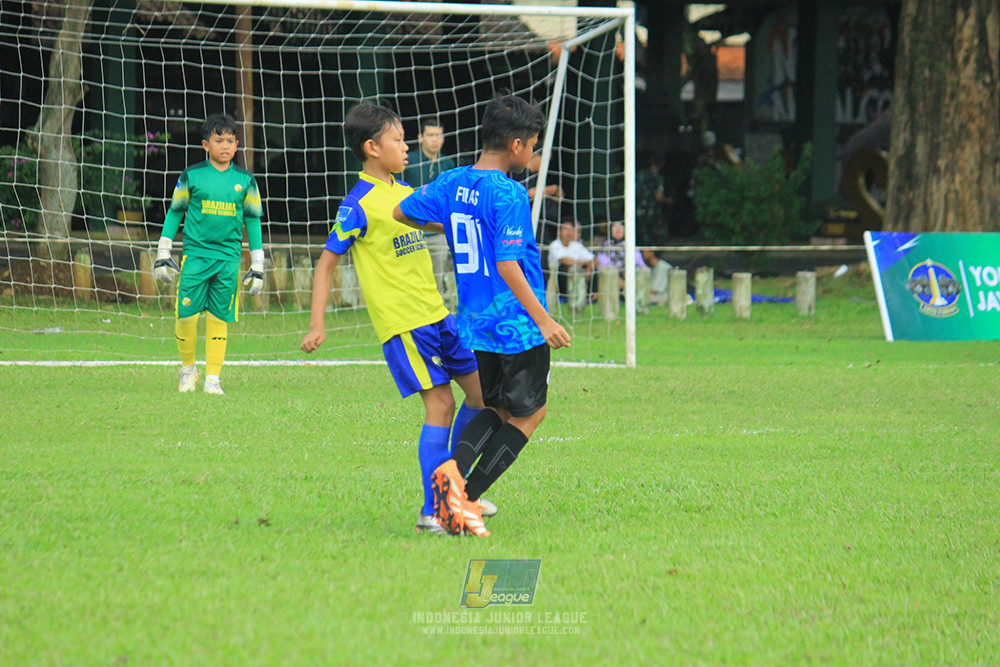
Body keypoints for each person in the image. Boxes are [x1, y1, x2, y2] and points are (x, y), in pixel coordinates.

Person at [299, 103, 489, 535]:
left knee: (482, 397)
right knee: (440, 404)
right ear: (372, 147)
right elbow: (325, 264)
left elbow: (446, 224)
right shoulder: (357, 205)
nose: (407, 147)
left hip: (440, 316)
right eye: (399, 140)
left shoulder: (407, 194)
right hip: (405, 325)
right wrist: (317, 324)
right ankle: (433, 510)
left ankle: (455, 488)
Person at [394, 94, 572, 538]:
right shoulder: (508, 192)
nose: (532, 153)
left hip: (474, 324)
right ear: (515, 145)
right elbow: (510, 264)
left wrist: (455, 225)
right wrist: (544, 321)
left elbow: (401, 211)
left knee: (492, 406)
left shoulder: (451, 181)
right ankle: (464, 499)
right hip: (516, 325)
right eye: (532, 144)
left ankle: (446, 491)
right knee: (531, 415)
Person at [152, 112, 264, 395]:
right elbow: (176, 211)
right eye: (219, 140)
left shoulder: (246, 180)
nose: (225, 146)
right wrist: (163, 250)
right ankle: (188, 370)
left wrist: (258, 263)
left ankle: (213, 378)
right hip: (196, 256)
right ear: (206, 145)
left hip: (228, 260)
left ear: (237, 144)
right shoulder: (192, 175)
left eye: (230, 141)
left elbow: (252, 220)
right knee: (186, 316)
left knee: (219, 317)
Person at [404, 117, 457, 305]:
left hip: (437, 229)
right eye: (430, 135)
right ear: (420, 137)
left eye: (438, 135)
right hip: (410, 227)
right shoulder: (408, 160)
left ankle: (439, 307)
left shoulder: (448, 164)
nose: (434, 139)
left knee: (438, 270)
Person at [635, 153, 672, 303]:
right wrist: (668, 201)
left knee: (641, 239)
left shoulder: (640, 175)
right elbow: (659, 196)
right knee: (654, 238)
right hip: (651, 216)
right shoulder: (657, 178)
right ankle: (652, 260)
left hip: (637, 215)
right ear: (661, 165)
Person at [547, 221, 596, 303]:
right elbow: (565, 261)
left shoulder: (576, 245)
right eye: (565, 229)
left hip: (578, 276)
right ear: (559, 231)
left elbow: (593, 259)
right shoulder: (555, 244)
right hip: (559, 278)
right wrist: (585, 262)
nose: (568, 232)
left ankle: (584, 300)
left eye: (571, 229)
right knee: (570, 269)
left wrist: (589, 268)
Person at [597, 219, 648, 292]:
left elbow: (639, 262)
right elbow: (603, 262)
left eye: (620, 228)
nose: (618, 231)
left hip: (630, 274)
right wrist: (617, 275)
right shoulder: (604, 245)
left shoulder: (631, 244)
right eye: (615, 228)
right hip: (612, 275)